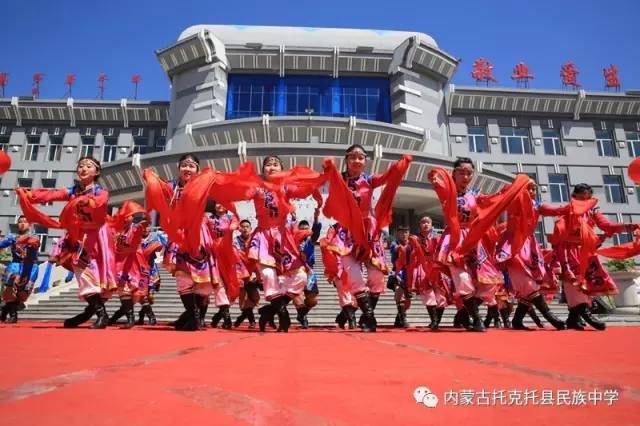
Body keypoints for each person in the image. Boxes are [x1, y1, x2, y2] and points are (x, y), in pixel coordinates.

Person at [17, 157, 116, 329]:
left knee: (91, 275)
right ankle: (99, 314)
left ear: (97, 172)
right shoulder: (72, 191)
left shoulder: (100, 192)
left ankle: (96, 314)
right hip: (78, 236)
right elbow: (52, 194)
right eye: (80, 166)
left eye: (88, 166)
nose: (83, 169)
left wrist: (85, 201)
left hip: (97, 237)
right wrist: (30, 195)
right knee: (83, 272)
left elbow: (100, 203)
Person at [322, 144, 411, 332]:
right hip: (345, 231)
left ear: (365, 161)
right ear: (346, 160)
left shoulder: (369, 180)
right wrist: (329, 165)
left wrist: (401, 165)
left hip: (367, 231)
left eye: (361, 157)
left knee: (377, 276)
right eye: (353, 157)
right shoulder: (339, 179)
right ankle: (369, 318)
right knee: (354, 276)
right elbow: (324, 177)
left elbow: (387, 177)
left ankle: (358, 314)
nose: (357, 161)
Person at [144, 153, 219, 331]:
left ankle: (192, 317)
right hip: (179, 232)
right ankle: (192, 318)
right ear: (179, 168)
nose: (187, 168)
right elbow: (157, 187)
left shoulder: (204, 185)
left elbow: (220, 193)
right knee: (182, 276)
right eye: (184, 165)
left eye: (192, 165)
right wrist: (149, 176)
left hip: (199, 233)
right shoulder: (172, 186)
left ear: (198, 170)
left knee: (203, 281)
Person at [550, 183, 638, 330]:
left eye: (588, 197)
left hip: (586, 251)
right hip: (569, 251)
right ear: (575, 196)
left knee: (588, 282)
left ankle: (573, 318)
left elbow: (606, 225)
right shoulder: (567, 210)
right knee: (574, 282)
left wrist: (626, 227)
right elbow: (558, 232)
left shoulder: (593, 211)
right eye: (582, 197)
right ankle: (585, 313)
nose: (585, 200)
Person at [0, 216, 39, 323]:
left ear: (29, 224)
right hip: (15, 265)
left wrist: (23, 240)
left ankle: (5, 309)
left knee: (23, 294)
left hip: (30, 266)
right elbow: (1, 244)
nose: (22, 224)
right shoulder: (12, 238)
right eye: (20, 222)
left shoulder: (34, 237)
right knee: (10, 291)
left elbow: (34, 244)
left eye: (25, 222)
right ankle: (13, 315)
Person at [294, 217, 322, 329]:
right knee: (297, 296)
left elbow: (316, 232)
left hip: (309, 271)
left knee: (313, 300)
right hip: (295, 271)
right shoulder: (292, 241)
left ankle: (302, 314)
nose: (304, 232)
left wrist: (315, 218)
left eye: (306, 229)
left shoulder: (310, 241)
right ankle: (304, 319)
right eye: (302, 229)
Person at [389, 226, 412, 328]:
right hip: (398, 272)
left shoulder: (412, 243)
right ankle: (403, 319)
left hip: (409, 273)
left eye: (406, 232)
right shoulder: (395, 244)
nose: (404, 234)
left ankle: (399, 318)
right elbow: (394, 252)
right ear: (398, 233)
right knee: (399, 293)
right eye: (402, 232)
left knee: (408, 300)